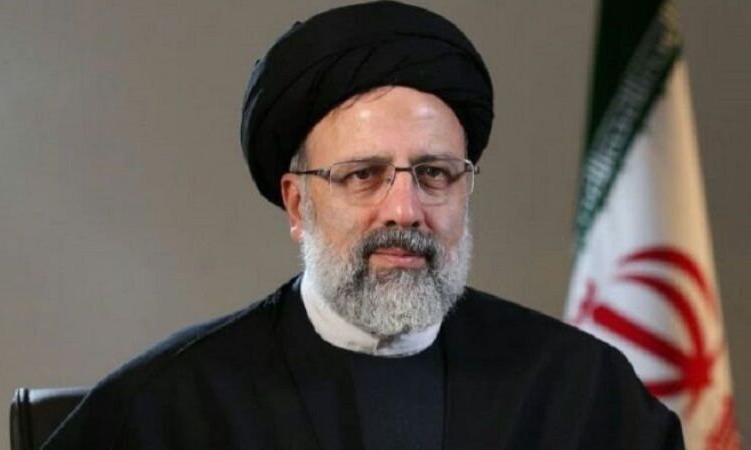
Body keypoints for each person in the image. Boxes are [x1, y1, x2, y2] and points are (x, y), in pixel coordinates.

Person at [44, 2, 684, 449]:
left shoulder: (580, 391)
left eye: (434, 173)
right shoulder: (168, 410)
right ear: (298, 204)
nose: (405, 209)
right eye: (363, 175)